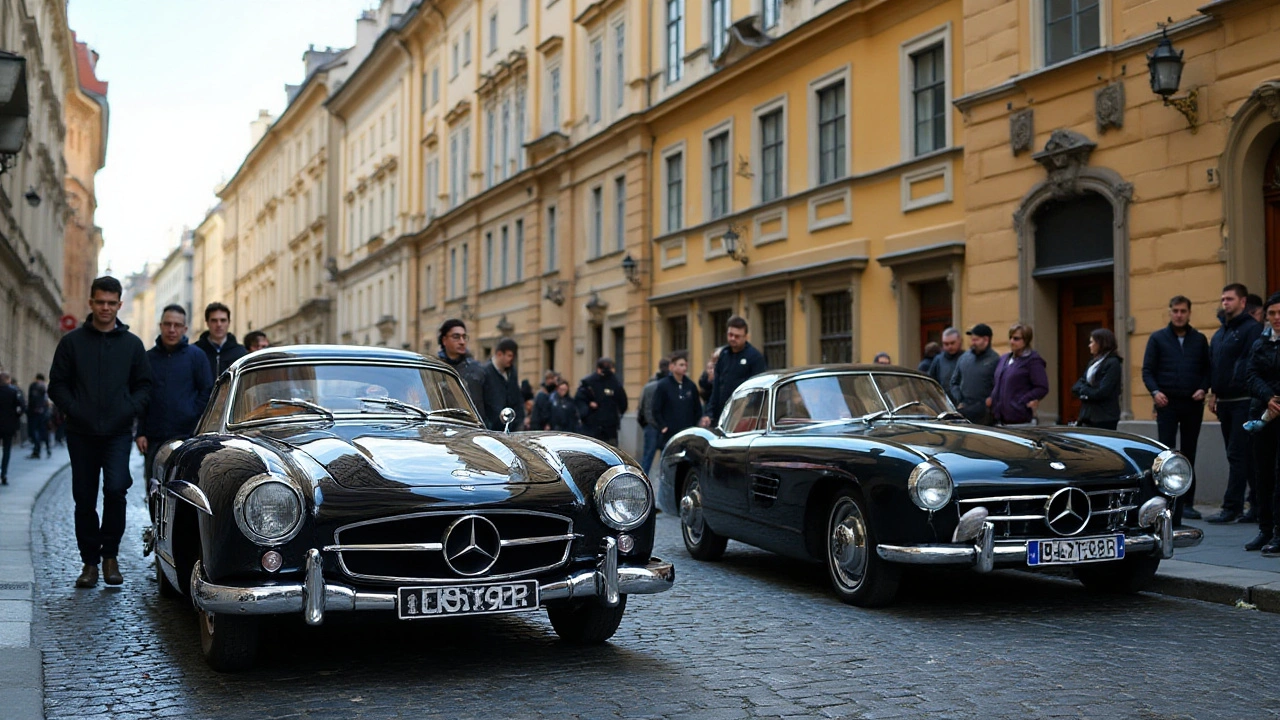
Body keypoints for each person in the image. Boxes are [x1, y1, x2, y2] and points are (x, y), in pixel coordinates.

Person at [48, 276, 153, 588]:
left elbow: (145, 386)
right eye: (100, 302)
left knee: (116, 490)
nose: (106, 308)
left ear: (119, 305)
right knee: (84, 498)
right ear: (91, 303)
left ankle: (111, 556)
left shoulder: (132, 345)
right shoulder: (72, 343)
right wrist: (75, 408)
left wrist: (127, 408)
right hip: (81, 432)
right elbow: (58, 385)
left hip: (118, 432)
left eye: (111, 303)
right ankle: (89, 563)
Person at [1142, 294, 1211, 521]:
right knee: (1167, 454)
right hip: (1167, 403)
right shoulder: (1157, 339)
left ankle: (1188, 503)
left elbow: (1208, 369)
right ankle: (1168, 501)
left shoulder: (1199, 339)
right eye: (1175, 311)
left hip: (1192, 403)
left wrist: (1203, 388)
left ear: (1189, 313)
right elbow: (1147, 371)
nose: (1179, 315)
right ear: (1170, 312)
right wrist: (1156, 392)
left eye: (1183, 311)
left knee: (1189, 452)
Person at [1205, 283, 1265, 524]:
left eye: (1229, 299)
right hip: (1225, 402)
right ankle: (1257, 505)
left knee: (1238, 453)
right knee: (1244, 456)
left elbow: (1249, 364)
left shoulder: (1252, 330)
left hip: (1245, 401)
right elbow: (1215, 365)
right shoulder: (1221, 333)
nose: (1225, 303)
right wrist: (1214, 393)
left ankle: (1233, 507)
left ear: (1242, 302)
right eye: (1223, 299)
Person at [136, 304, 214, 482]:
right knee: (155, 488)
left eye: (177, 325)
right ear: (161, 326)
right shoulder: (148, 358)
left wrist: (191, 412)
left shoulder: (196, 356)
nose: (172, 329)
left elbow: (206, 391)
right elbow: (142, 396)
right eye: (167, 324)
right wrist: (141, 432)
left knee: (185, 488)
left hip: (187, 437)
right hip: (154, 438)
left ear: (184, 329)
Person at [1243, 291, 1280, 555]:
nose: (1277, 318)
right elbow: (1250, 375)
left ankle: (1279, 532)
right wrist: (1269, 398)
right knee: (1262, 476)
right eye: (1272, 314)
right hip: (1263, 417)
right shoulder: (1260, 343)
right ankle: (1265, 530)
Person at [701, 317, 767, 427]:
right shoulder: (724, 354)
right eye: (730, 335)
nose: (732, 338)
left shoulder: (755, 357)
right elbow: (716, 387)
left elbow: (758, 391)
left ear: (745, 337)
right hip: (720, 414)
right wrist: (709, 413)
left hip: (743, 416)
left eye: (737, 336)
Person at [990, 323, 1049, 426]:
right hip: (1000, 420)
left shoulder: (1033, 361)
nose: (1011, 341)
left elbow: (1042, 387)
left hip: (1020, 421)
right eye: (1010, 338)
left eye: (1016, 339)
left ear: (1026, 340)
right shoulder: (1004, 359)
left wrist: (1022, 401)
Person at [1072, 328, 1123, 431]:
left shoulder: (1113, 363)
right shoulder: (1093, 363)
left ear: (1101, 343)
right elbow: (1076, 386)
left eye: (1092, 342)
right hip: (1087, 415)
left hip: (1104, 417)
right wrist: (1087, 390)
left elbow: (1102, 391)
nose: (1089, 345)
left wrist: (1085, 392)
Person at [950, 323, 1000, 425]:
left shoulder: (995, 360)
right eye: (972, 339)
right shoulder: (964, 358)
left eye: (976, 340)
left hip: (985, 413)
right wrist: (959, 399)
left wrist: (991, 399)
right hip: (965, 410)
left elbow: (1000, 385)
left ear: (986, 340)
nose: (972, 343)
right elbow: (954, 382)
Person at [435, 319, 487, 412]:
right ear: (444, 340)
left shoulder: (477, 370)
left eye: (464, 337)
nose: (462, 342)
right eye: (456, 337)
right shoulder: (435, 369)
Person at [653, 351, 702, 446]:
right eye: (681, 365)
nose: (684, 367)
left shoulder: (690, 385)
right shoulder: (663, 385)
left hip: (687, 433)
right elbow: (656, 408)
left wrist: (694, 426)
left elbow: (697, 408)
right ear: (672, 366)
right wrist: (663, 426)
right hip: (669, 434)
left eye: (685, 365)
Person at [576, 357, 628, 446]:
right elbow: (580, 400)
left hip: (609, 427)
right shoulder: (588, 383)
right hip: (593, 427)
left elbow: (623, 402)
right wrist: (588, 408)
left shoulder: (614, 382)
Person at [480, 337, 524, 431]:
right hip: (492, 429)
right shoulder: (485, 373)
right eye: (509, 355)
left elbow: (517, 397)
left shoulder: (512, 372)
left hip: (511, 428)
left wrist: (519, 420)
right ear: (499, 354)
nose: (511, 359)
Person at [194, 302, 248, 378]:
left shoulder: (240, 352)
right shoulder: (196, 352)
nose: (219, 324)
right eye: (214, 320)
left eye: (223, 320)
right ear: (207, 323)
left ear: (229, 322)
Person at [636, 358, 671, 476]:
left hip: (650, 425)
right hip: (665, 425)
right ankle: (664, 479)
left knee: (647, 457)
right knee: (666, 456)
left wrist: (646, 423)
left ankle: (642, 479)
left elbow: (641, 407)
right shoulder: (670, 385)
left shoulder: (649, 386)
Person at [0, 372, 25, 484]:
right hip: (9, 425)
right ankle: (4, 473)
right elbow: (21, 407)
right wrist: (16, 416)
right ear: (8, 380)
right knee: (7, 449)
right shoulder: (14, 391)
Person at [929, 328, 964, 401]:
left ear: (959, 341)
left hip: (963, 403)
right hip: (944, 402)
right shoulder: (938, 360)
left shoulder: (966, 358)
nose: (949, 346)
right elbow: (931, 381)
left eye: (952, 343)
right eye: (946, 344)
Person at [27, 372, 51, 458]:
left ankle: (37, 450)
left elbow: (32, 400)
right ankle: (48, 449)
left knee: (34, 431)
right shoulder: (46, 386)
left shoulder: (35, 386)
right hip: (45, 412)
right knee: (44, 431)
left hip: (35, 412)